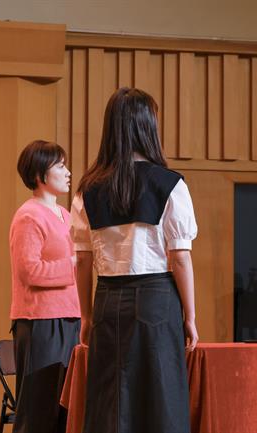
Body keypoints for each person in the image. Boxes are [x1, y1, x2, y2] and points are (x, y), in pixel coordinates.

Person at [71, 87, 198, 433]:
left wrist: (86, 316)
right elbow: (180, 258)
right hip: (157, 299)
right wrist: (190, 317)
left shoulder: (87, 188)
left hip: (107, 299)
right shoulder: (169, 184)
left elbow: (81, 261)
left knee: (110, 401)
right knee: (161, 398)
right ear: (147, 127)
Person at [9, 140, 81, 433]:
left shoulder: (65, 215)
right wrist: (74, 264)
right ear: (40, 174)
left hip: (70, 318)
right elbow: (30, 271)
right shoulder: (29, 216)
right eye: (60, 166)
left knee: (65, 411)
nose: (68, 172)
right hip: (41, 321)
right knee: (39, 411)